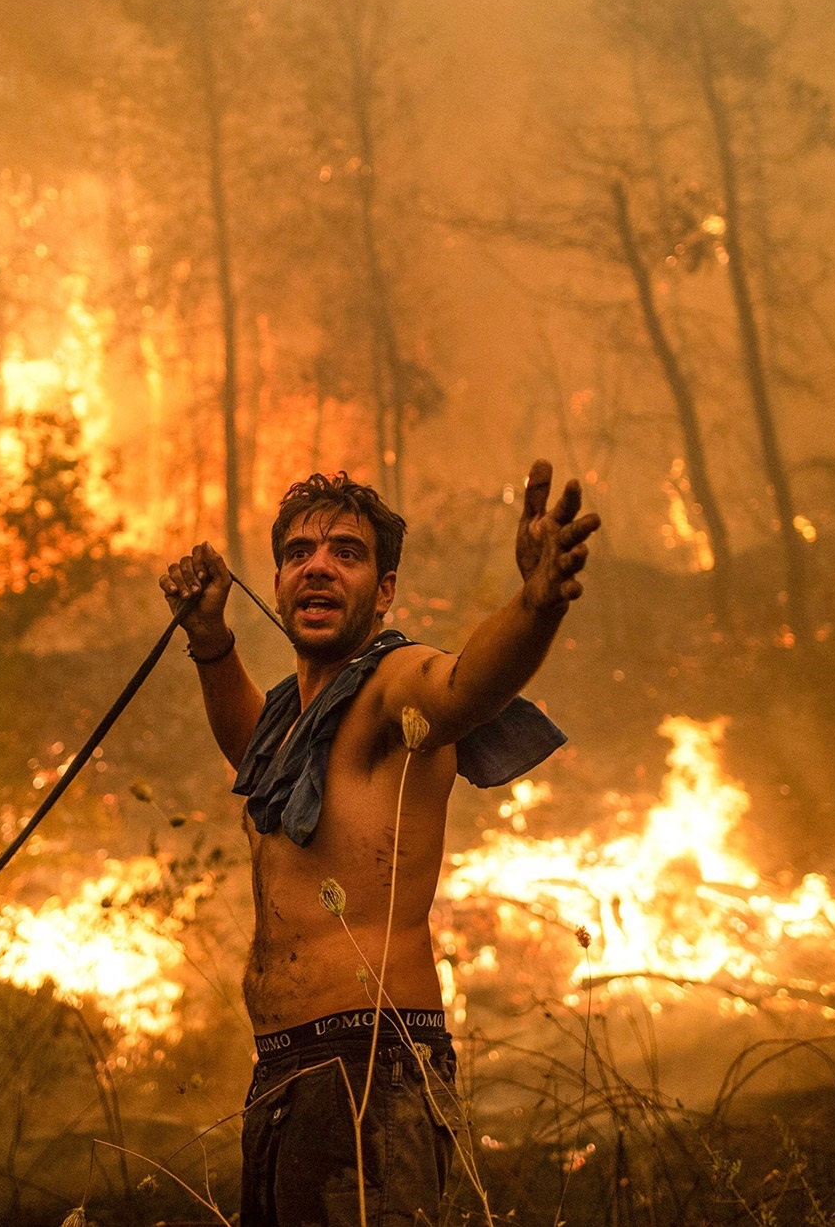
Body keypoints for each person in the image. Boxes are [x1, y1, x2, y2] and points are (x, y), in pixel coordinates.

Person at [159, 460, 599, 1226]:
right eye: (299, 552)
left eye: (347, 552)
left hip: (371, 1068)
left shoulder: (391, 684)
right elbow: (249, 750)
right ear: (279, 581)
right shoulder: (290, 723)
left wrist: (537, 603)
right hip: (284, 1073)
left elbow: (461, 688)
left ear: (384, 588)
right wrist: (210, 640)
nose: (318, 566)